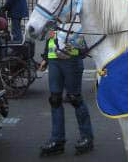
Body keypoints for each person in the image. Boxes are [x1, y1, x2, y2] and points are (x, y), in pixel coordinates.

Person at [38, 25, 94, 156]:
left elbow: (85, 41)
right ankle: (57, 140)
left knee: (75, 98)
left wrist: (73, 47)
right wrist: (45, 58)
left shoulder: (76, 11)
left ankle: (87, 137)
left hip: (71, 59)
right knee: (55, 99)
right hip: (53, 59)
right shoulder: (53, 14)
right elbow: (50, 37)